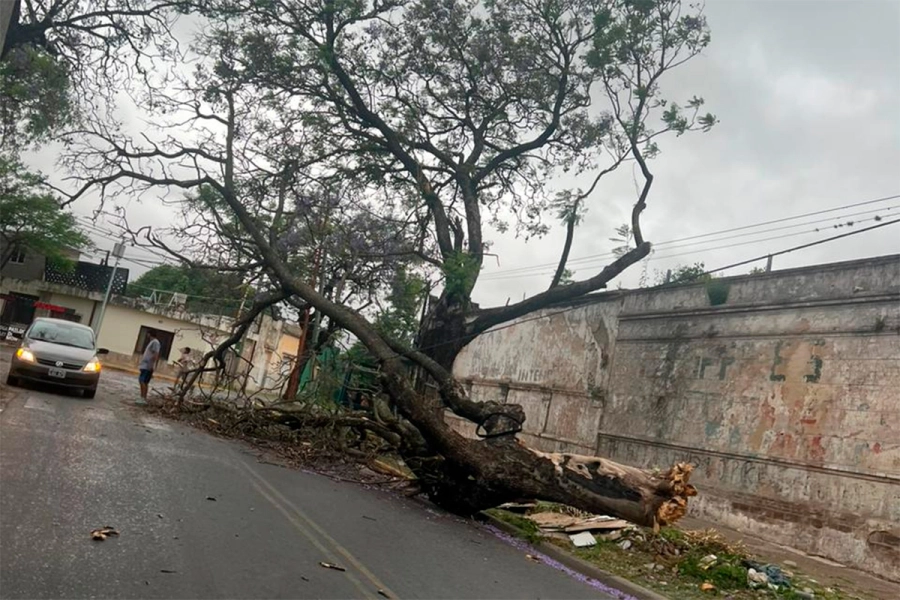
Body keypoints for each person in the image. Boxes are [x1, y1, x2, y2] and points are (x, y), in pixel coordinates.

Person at [137, 331, 161, 405]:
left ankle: (143, 397)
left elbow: (156, 354)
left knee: (142, 381)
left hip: (147, 365)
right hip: (145, 365)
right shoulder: (152, 342)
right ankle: (143, 397)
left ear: (149, 334)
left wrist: (151, 365)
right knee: (145, 381)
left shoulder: (155, 342)